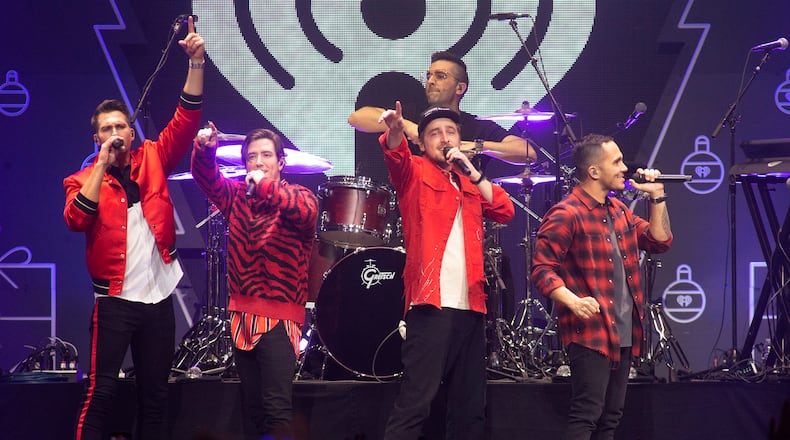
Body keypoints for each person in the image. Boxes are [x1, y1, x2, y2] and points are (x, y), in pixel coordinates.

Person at [63, 17, 204, 440]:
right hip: (115, 303)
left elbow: (186, 119)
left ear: (131, 129)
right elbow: (75, 219)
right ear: (96, 138)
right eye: (105, 129)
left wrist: (195, 63)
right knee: (101, 392)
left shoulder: (154, 157)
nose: (114, 133)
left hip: (158, 298)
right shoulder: (80, 180)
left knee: (155, 397)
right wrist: (101, 163)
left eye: (120, 126)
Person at [377, 102, 515, 439]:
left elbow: (505, 209)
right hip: (431, 305)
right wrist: (395, 134)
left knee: (469, 411)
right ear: (422, 143)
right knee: (415, 404)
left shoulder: (469, 182)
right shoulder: (415, 171)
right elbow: (396, 158)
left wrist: (472, 170)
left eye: (450, 132)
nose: (444, 138)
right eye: (435, 133)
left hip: (471, 306)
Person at [531, 133, 673, 439]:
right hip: (590, 333)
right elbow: (542, 269)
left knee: (610, 418)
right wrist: (572, 300)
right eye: (617, 161)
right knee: (587, 414)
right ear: (594, 171)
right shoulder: (567, 213)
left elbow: (659, 241)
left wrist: (657, 195)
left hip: (622, 330)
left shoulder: (619, 211)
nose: (625, 168)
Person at [190, 125, 318, 440]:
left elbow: (304, 213)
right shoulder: (237, 197)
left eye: (265, 156)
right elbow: (206, 178)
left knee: (277, 410)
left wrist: (262, 187)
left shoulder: (300, 196)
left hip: (279, 317)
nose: (258, 163)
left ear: (281, 162)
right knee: (254, 411)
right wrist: (205, 151)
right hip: (241, 315)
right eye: (251, 157)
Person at [349, 50, 536, 168]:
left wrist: (476, 146)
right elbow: (357, 118)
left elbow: (527, 152)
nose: (430, 81)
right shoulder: (413, 113)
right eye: (429, 75)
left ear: (460, 88)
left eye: (440, 76)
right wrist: (406, 125)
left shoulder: (476, 126)